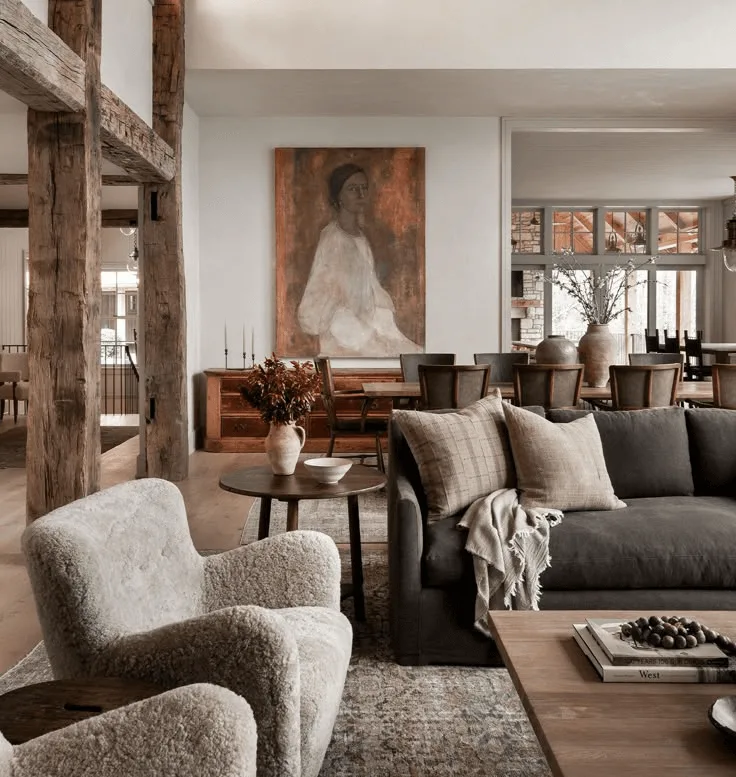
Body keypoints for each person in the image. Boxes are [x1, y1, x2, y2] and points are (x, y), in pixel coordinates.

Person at [297, 163, 422, 357]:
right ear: (339, 196)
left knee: (413, 353)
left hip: (367, 322)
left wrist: (382, 315)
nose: (361, 194)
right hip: (344, 329)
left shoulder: (361, 238)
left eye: (364, 188)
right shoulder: (332, 238)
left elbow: (369, 284)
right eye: (353, 189)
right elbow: (321, 288)